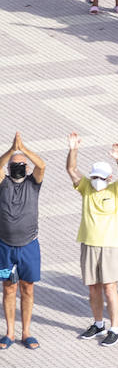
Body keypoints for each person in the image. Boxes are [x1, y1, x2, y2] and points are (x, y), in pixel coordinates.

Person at [67, 134, 118, 346]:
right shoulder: (86, 187)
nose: (96, 182)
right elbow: (71, 170)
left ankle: (115, 328)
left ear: (109, 179)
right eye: (94, 177)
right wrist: (73, 149)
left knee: (110, 287)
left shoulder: (115, 190)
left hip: (110, 245)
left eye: (101, 178)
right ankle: (98, 323)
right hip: (89, 243)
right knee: (93, 287)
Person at [0, 133, 45, 350]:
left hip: (29, 246)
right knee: (8, 288)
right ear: (8, 168)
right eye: (14, 165)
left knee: (28, 288)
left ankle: (26, 331)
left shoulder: (32, 184)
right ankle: (9, 332)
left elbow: (42, 165)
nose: (18, 167)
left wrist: (23, 150)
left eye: (22, 165)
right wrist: (11, 150)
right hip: (5, 247)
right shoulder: (3, 184)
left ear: (27, 168)